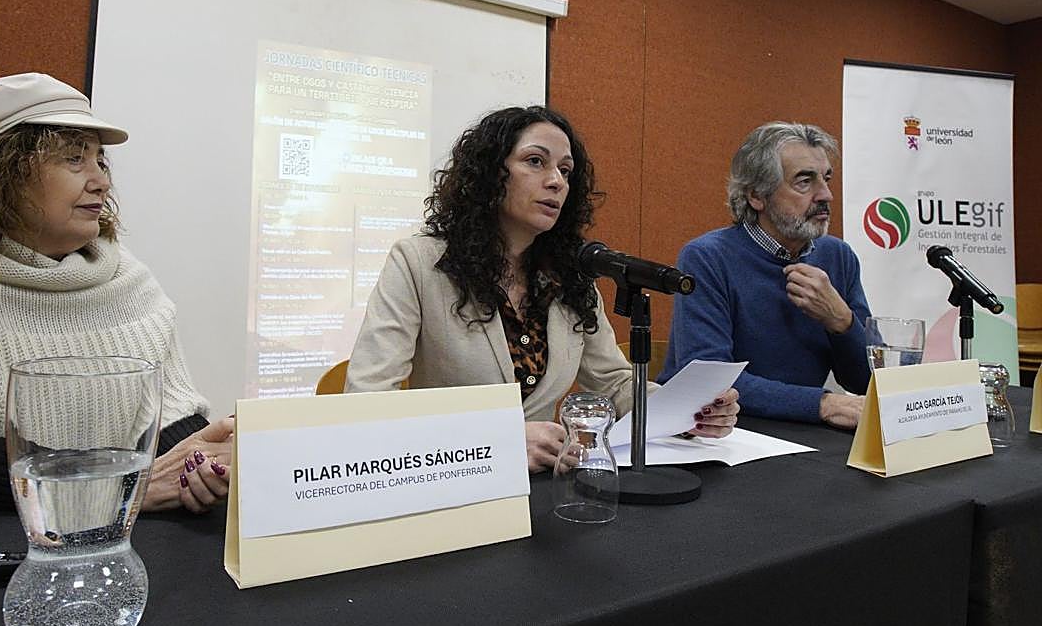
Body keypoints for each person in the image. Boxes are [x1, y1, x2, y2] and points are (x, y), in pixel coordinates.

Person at [0, 73, 232, 512]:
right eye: (74, 159)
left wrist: (205, 459)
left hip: (128, 532)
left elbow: (167, 420)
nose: (101, 182)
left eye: (100, 161)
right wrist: (120, 490)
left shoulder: (130, 281)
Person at [344, 106, 739, 472]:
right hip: (452, 486)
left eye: (566, 171)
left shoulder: (570, 275)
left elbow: (615, 384)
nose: (556, 181)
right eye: (535, 162)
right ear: (489, 174)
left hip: (544, 489)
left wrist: (688, 413)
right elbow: (367, 401)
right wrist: (497, 441)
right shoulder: (418, 263)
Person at [658, 121, 871, 428]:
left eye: (826, 179)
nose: (826, 195)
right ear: (757, 195)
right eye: (804, 181)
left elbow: (864, 381)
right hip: (721, 433)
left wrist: (841, 322)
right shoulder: (707, 257)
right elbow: (709, 380)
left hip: (805, 435)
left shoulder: (838, 257)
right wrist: (822, 403)